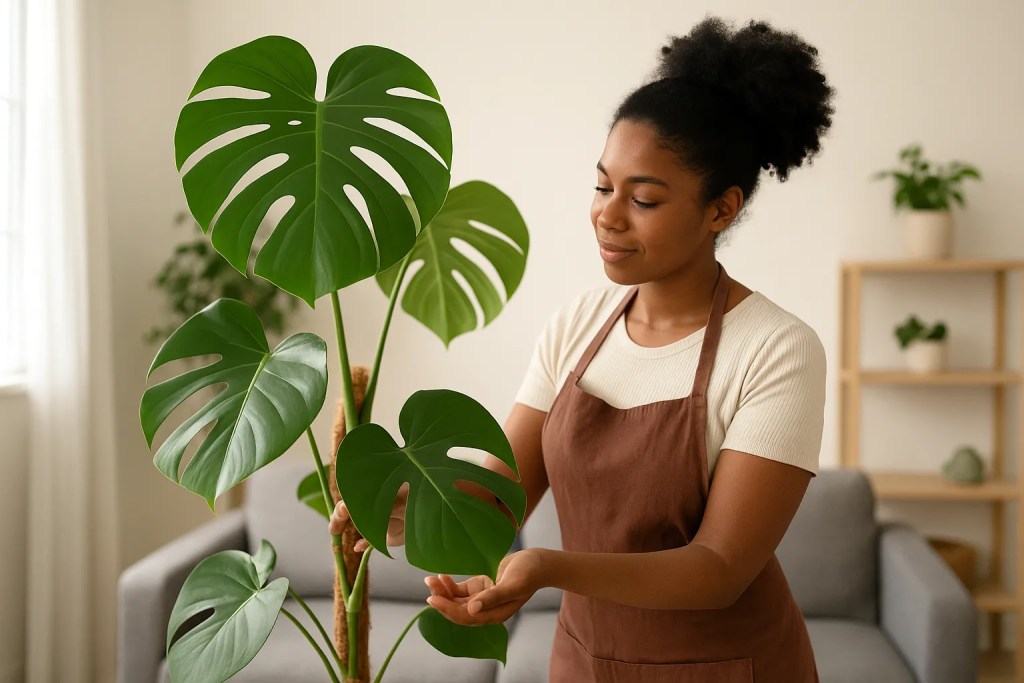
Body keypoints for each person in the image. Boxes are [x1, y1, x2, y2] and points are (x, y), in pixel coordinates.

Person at [330, 14, 835, 682]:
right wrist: (403, 509)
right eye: (602, 186)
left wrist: (548, 566)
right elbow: (496, 498)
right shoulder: (576, 326)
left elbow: (719, 569)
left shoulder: (776, 349)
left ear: (721, 208)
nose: (607, 214)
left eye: (643, 199)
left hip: (729, 666)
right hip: (585, 662)